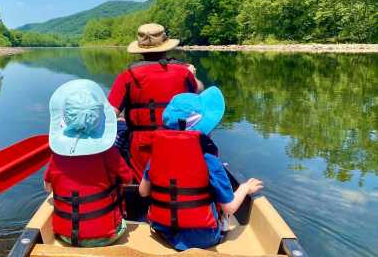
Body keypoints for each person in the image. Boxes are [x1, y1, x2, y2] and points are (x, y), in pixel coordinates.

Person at [138, 87, 263, 251]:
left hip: (163, 231)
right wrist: (245, 188)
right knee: (224, 213)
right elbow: (229, 207)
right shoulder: (210, 159)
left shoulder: (158, 155)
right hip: (203, 238)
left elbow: (143, 192)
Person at [108, 23, 204, 181]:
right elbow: (199, 88)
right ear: (165, 47)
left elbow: (111, 113)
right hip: (178, 139)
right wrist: (192, 74)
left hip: (142, 145)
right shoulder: (182, 71)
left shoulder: (127, 75)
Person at [44, 79, 133, 247]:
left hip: (67, 236)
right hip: (108, 235)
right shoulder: (109, 152)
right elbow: (128, 179)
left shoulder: (57, 155)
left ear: (66, 118)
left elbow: (47, 186)